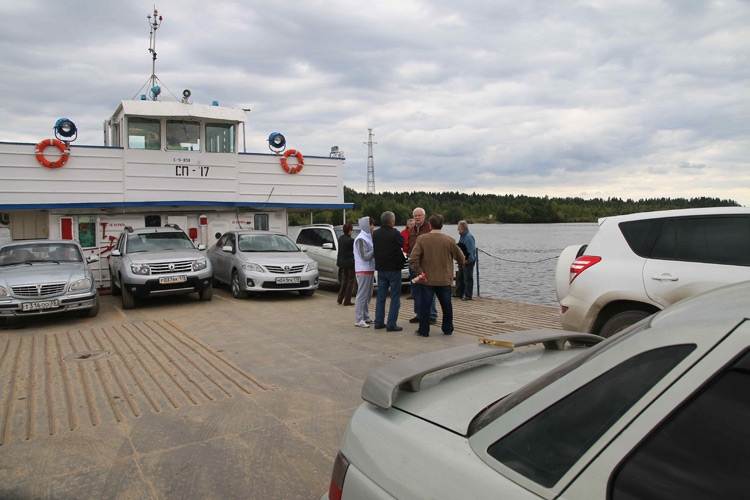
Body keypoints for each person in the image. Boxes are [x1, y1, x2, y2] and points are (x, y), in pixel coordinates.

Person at [409, 214, 466, 337]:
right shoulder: (449, 240)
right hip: (444, 279)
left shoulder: (422, 239)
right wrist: (461, 265)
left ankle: (424, 330)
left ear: (430, 225)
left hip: (427, 278)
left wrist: (419, 272)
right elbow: (461, 257)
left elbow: (413, 259)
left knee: (425, 306)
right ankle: (448, 328)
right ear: (442, 225)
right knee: (446, 305)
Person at [372, 211, 405, 332]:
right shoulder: (395, 233)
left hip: (381, 268)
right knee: (395, 296)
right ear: (392, 222)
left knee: (381, 296)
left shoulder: (375, 233)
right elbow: (402, 243)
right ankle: (391, 323)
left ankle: (379, 321)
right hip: (394, 268)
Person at [407, 208, 437, 325]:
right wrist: (409, 255)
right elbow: (409, 245)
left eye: (419, 215)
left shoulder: (429, 228)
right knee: (416, 290)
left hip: (426, 264)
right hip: (414, 265)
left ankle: (432, 315)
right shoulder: (412, 230)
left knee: (429, 289)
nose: (417, 217)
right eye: (415, 216)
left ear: (424, 216)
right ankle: (419, 314)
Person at [353, 216, 376, 328]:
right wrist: (376, 251)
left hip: (369, 269)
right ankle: (359, 319)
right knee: (362, 295)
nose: (373, 227)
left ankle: (365, 316)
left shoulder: (368, 237)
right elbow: (364, 256)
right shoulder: (361, 239)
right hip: (363, 270)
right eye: (371, 224)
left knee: (368, 294)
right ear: (366, 225)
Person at [454, 220, 477, 301]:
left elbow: (471, 250)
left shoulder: (468, 237)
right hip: (463, 260)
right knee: (460, 278)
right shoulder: (462, 236)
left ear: (462, 228)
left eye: (458, 227)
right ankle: (459, 293)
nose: (457, 229)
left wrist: (469, 260)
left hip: (468, 261)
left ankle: (468, 295)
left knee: (468, 279)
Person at [336, 223, 355, 306]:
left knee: (345, 280)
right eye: (352, 230)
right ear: (350, 231)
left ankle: (340, 298)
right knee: (351, 281)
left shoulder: (341, 238)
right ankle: (347, 300)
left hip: (342, 262)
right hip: (350, 262)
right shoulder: (351, 240)